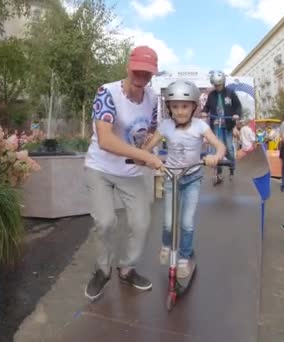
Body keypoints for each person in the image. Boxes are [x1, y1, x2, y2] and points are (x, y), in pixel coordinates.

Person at [83, 45, 164, 301]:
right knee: (106, 222)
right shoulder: (107, 93)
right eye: (138, 70)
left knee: (141, 223)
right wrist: (146, 156)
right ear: (128, 67)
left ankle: (127, 268)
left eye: (148, 73)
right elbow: (105, 140)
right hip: (101, 167)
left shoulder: (152, 98)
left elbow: (152, 131)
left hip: (131, 171)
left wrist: (150, 149)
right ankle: (103, 269)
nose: (142, 76)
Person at [142, 80, 225, 278]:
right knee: (169, 223)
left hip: (193, 178)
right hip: (171, 177)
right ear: (169, 108)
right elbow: (148, 148)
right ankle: (165, 244)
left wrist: (215, 156)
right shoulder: (165, 126)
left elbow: (220, 145)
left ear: (194, 107)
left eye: (185, 106)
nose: (180, 111)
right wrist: (149, 158)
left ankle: (184, 257)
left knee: (187, 223)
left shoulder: (200, 126)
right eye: (175, 106)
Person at [201, 70, 242, 184]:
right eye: (215, 85)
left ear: (223, 82)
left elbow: (238, 106)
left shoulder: (230, 93)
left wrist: (236, 114)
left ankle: (232, 168)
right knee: (216, 150)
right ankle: (218, 173)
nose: (217, 87)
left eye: (218, 85)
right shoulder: (211, 95)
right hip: (215, 125)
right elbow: (206, 107)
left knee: (228, 148)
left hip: (227, 125)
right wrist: (204, 112)